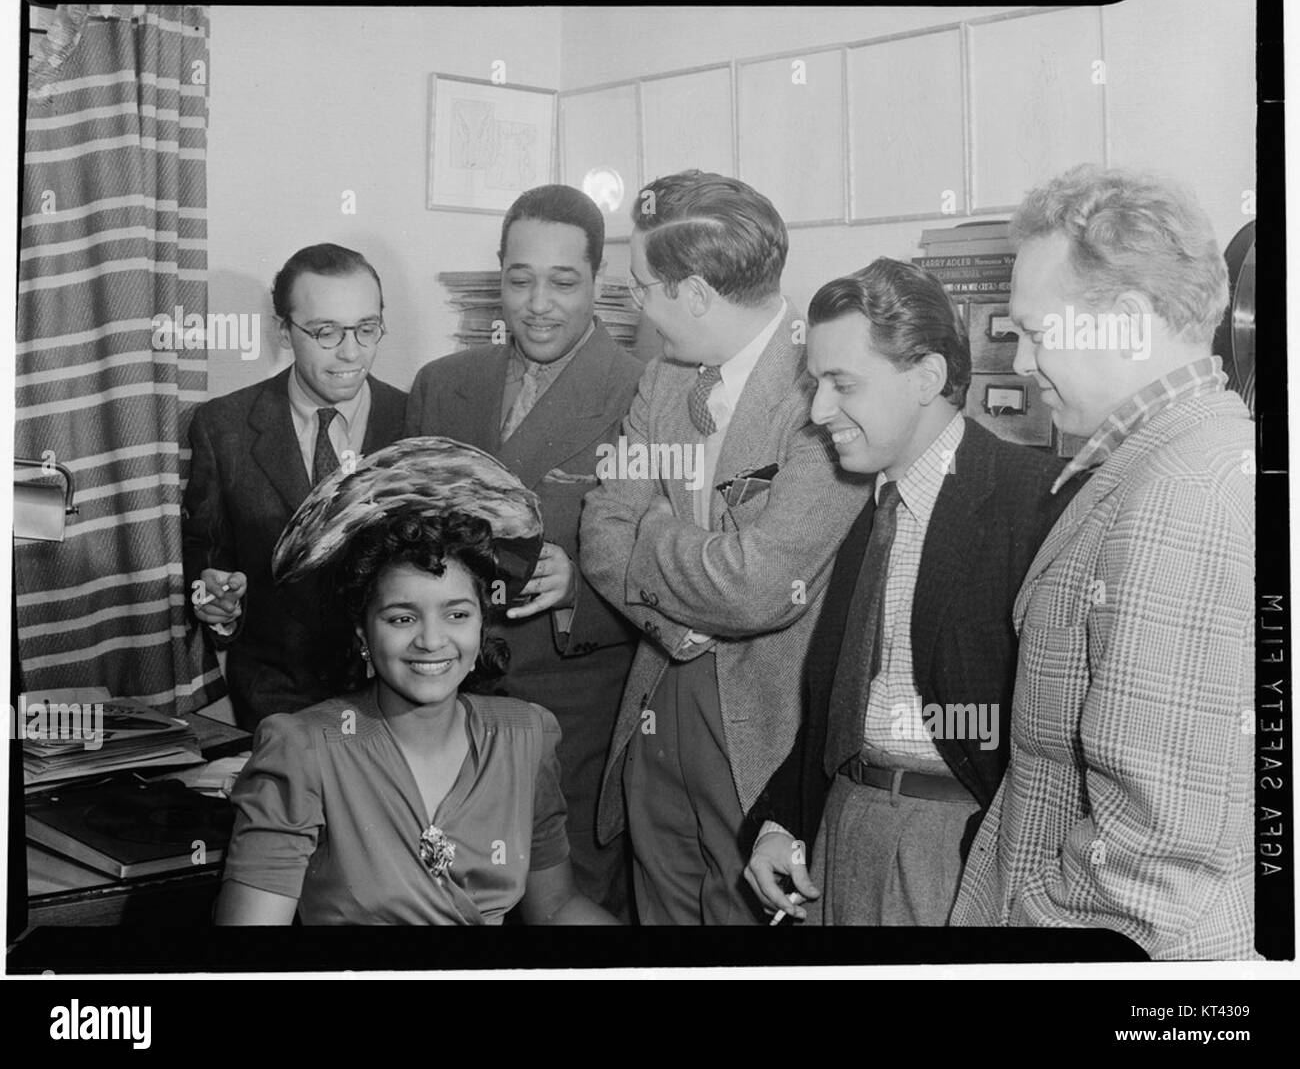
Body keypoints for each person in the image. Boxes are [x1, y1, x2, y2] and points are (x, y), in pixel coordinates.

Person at [949, 164, 1255, 959]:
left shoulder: (1179, 495)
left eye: (1036, 333)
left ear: (1123, 320)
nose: (1019, 366)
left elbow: (1152, 859)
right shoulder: (1174, 460)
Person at [742, 258, 1082, 926]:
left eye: (842, 385)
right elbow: (834, 714)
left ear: (926, 376)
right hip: (846, 830)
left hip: (960, 850)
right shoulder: (868, 503)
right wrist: (782, 820)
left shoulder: (1039, 504)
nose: (818, 411)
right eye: (815, 385)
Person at [579, 170, 872, 925]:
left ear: (697, 294)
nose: (634, 306)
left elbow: (759, 586)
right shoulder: (661, 379)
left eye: (643, 287)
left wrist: (647, 531)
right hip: (659, 693)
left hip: (770, 732)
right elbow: (599, 529)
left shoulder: (827, 385)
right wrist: (677, 619)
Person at [215, 437, 618, 925]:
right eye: (402, 618)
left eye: (456, 614)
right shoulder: (302, 749)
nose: (432, 641)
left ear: (481, 624)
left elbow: (555, 908)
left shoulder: (526, 736)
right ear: (364, 632)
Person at [405, 184, 643, 917]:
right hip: (441, 707)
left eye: (564, 281)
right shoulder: (442, 385)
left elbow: (672, 572)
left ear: (598, 283)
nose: (538, 303)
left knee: (562, 914)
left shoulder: (648, 395)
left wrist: (579, 586)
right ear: (498, 273)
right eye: (519, 277)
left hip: (571, 717)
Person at [183, 243, 407, 729]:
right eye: (325, 332)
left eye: (367, 329)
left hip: (399, 703)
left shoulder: (416, 421)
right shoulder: (224, 428)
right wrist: (215, 598)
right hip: (274, 705)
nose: (351, 352)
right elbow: (206, 557)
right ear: (283, 330)